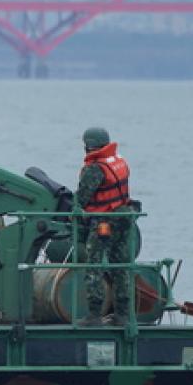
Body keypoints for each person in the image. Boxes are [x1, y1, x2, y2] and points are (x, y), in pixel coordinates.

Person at [76, 126, 135, 327]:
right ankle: (123, 314)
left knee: (94, 266)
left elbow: (83, 197)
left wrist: (74, 211)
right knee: (121, 267)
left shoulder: (95, 168)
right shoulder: (119, 162)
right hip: (123, 219)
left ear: (88, 145)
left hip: (104, 223)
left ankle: (94, 314)